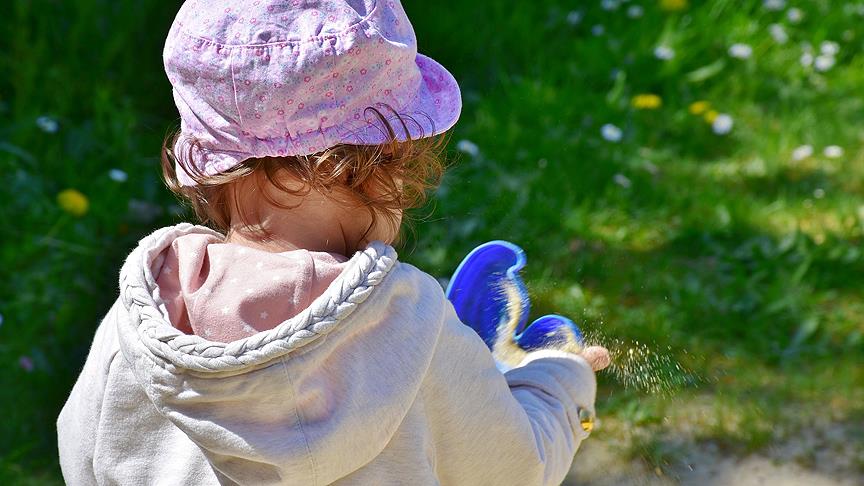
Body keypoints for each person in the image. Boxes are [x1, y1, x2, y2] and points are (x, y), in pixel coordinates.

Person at [57, 1, 611, 484]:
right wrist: (559, 382)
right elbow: (512, 467)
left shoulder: (143, 316)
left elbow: (83, 457)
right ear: (390, 161)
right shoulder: (413, 330)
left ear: (205, 161)